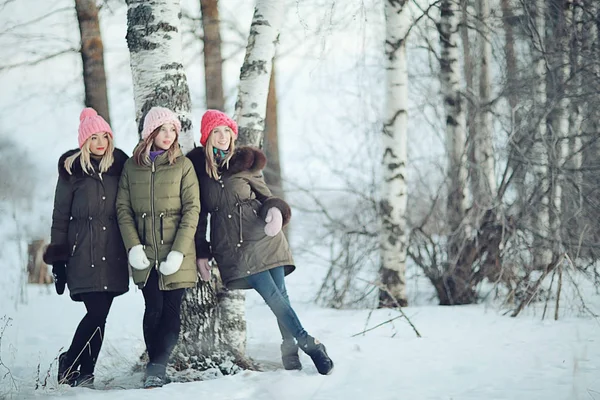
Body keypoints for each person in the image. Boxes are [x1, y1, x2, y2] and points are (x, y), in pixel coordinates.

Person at [187, 110, 334, 375]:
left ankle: (289, 346)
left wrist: (276, 212)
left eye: (226, 131)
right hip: (234, 248)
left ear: (233, 135)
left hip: (264, 236)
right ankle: (309, 343)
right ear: (207, 137)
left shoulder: (245, 166)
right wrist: (201, 251)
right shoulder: (200, 173)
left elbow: (267, 197)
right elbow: (199, 217)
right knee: (273, 297)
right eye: (216, 132)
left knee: (281, 295)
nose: (222, 137)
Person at [43, 108, 130, 388]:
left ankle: (84, 372)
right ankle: (71, 362)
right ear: (84, 141)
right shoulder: (71, 171)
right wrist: (58, 260)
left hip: (113, 252)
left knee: (100, 315)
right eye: (94, 137)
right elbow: (60, 216)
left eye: (105, 136)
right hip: (82, 253)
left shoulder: (120, 167)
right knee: (96, 312)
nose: (100, 142)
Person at [116, 106, 200, 388]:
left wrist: (178, 252)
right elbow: (123, 209)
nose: (168, 135)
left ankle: (158, 367)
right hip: (145, 253)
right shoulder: (131, 166)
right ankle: (155, 366)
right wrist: (133, 247)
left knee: (172, 311)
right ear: (150, 132)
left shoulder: (183, 165)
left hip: (178, 251)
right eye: (162, 129)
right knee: (153, 308)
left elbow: (192, 210)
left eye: (172, 130)